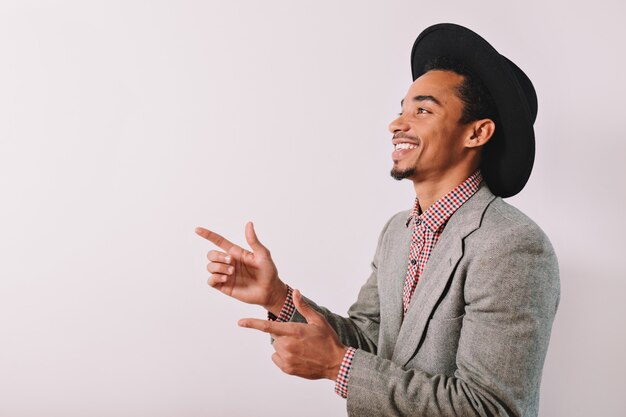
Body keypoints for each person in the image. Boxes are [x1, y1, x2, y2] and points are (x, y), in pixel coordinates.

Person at [195, 23, 559, 417]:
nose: (396, 124)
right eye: (400, 110)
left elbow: (490, 408)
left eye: (422, 110)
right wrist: (277, 297)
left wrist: (338, 367)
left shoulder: (512, 244)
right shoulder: (396, 232)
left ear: (477, 133)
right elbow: (369, 342)